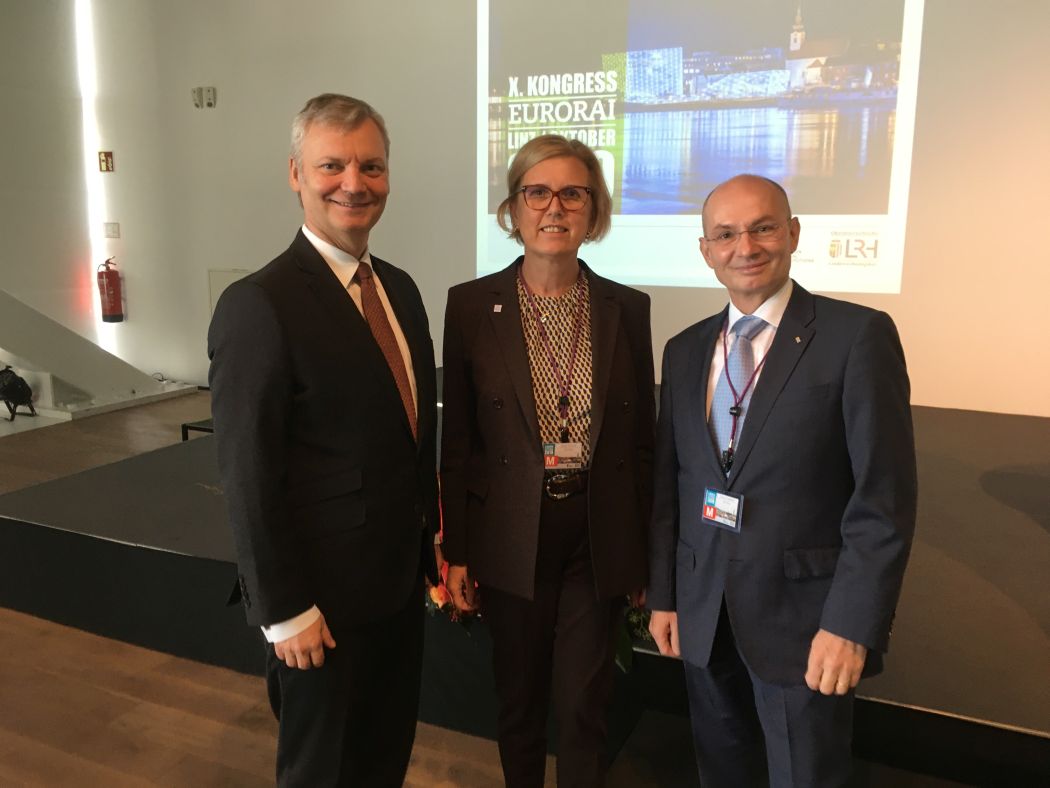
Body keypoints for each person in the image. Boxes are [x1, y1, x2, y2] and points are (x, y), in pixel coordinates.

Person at [647, 174, 917, 787]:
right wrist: (664, 593)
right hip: (703, 612)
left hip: (807, 626)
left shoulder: (856, 337)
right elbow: (673, 486)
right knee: (723, 773)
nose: (746, 246)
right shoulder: (684, 350)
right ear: (705, 249)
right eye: (726, 234)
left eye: (763, 227)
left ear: (792, 233)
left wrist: (852, 623)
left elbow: (883, 500)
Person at [208, 93, 439, 787]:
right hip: (320, 610)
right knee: (322, 772)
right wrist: (283, 612)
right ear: (296, 174)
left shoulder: (398, 289)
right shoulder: (260, 303)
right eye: (331, 165)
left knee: (380, 762)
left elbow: (409, 437)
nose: (354, 182)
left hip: (398, 591)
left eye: (371, 165)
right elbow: (247, 473)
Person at [440, 134, 655, 788]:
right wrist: (455, 550)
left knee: (584, 707)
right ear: (513, 208)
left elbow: (641, 439)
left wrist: (642, 551)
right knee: (520, 702)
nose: (554, 207)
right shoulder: (472, 305)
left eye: (572, 193)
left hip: (594, 533)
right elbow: (460, 442)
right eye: (537, 191)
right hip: (510, 534)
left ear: (593, 211)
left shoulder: (628, 308)